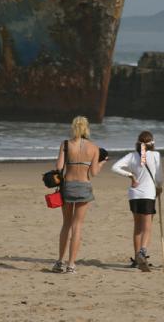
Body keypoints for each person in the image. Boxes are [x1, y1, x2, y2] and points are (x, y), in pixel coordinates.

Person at [52, 116, 107, 274]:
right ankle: (71, 265)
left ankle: (59, 262)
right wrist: (103, 162)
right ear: (86, 128)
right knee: (77, 226)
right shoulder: (94, 147)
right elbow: (94, 173)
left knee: (66, 224)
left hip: (68, 186)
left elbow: (59, 166)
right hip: (84, 186)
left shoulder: (66, 144)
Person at [111, 131, 163, 272]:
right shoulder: (156, 155)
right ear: (152, 142)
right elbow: (159, 177)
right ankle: (142, 253)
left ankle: (136, 258)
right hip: (148, 194)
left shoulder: (131, 156)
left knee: (137, 227)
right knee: (147, 227)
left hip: (134, 194)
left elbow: (114, 167)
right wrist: (159, 187)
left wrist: (131, 175)